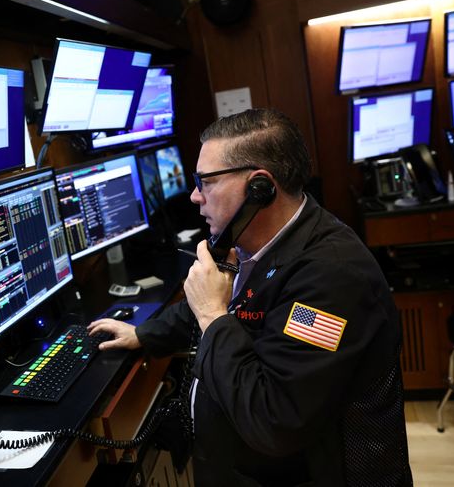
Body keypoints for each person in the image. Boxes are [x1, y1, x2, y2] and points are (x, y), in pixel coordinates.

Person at [88, 108, 412, 486]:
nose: (194, 196)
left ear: (260, 188)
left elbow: (275, 421)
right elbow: (236, 306)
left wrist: (212, 314)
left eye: (205, 181)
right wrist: (144, 334)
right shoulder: (259, 246)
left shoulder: (332, 277)